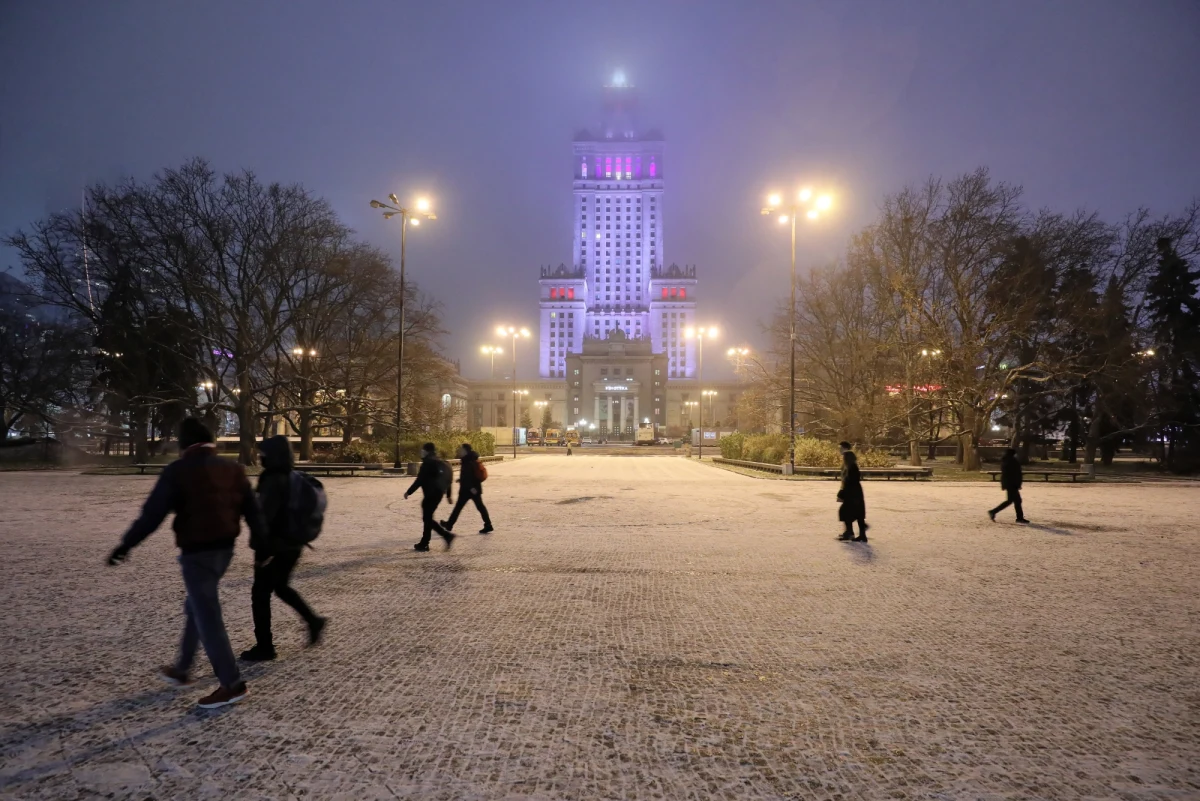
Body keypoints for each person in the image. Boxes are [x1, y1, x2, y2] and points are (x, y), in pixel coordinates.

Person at [107, 418, 264, 709]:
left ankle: (232, 684)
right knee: (197, 605)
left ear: (184, 444)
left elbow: (152, 514)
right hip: (224, 550)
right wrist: (262, 546)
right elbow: (253, 511)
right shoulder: (232, 468)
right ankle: (182, 668)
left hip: (197, 553)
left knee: (207, 615)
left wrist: (127, 544)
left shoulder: (178, 471)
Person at [240, 436, 327, 662]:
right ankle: (313, 620)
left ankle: (265, 646)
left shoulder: (272, 480)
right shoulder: (292, 476)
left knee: (260, 594)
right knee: (280, 587)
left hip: (275, 547)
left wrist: (261, 550)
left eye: (264, 454)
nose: (261, 457)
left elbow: (264, 518)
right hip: (293, 544)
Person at [404, 442, 455, 551]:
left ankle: (445, 536)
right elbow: (448, 479)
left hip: (430, 495)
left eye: (423, 450)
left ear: (426, 451)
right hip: (438, 494)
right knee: (428, 518)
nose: (421, 452)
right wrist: (448, 495)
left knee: (427, 519)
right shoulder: (441, 462)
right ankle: (425, 542)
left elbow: (419, 480)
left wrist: (408, 492)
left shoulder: (427, 463)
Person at [441, 443, 494, 535]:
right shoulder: (470, 459)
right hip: (473, 489)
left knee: (461, 507)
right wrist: (461, 480)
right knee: (478, 507)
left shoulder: (467, 461)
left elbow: (469, 476)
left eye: (461, 450)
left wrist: (471, 488)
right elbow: (469, 475)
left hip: (469, 490)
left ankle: (449, 524)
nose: (460, 451)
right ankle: (488, 525)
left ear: (465, 451)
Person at [837, 441, 869, 542]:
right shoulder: (851, 467)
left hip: (852, 494)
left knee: (846, 512)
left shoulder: (851, 468)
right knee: (857, 515)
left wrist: (842, 493)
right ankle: (858, 534)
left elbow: (849, 481)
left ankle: (851, 533)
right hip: (855, 493)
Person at [989, 447, 1029, 523]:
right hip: (1012, 484)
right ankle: (993, 511)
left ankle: (1019, 517)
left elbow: (1006, 474)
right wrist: (1017, 483)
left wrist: (1004, 484)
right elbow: (1016, 474)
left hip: (1010, 483)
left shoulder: (1006, 461)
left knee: (1016, 501)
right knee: (1012, 501)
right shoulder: (1012, 461)